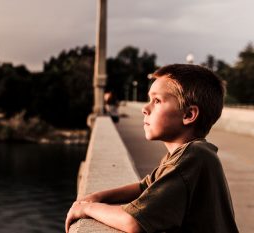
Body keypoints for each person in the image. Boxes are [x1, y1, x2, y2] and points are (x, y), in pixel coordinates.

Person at [65, 64, 239, 233]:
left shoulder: (193, 156)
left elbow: (133, 221)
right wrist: (98, 196)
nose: (144, 109)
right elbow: (145, 187)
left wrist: (88, 209)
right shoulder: (187, 153)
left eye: (157, 101)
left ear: (188, 115)